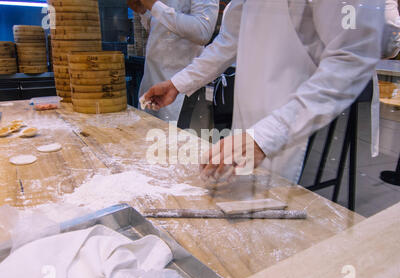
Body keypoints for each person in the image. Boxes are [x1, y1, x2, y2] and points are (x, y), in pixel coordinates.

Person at [143, 0, 385, 184]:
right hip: (250, 118)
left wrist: (266, 137)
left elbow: (352, 57)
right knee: (246, 203)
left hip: (300, 121)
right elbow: (229, 40)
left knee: (279, 214)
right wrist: (178, 83)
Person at [127, 0, 219, 122]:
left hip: (181, 93)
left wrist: (154, 6)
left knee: (177, 138)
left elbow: (202, 30)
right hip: (152, 84)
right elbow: (162, 30)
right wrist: (144, 12)